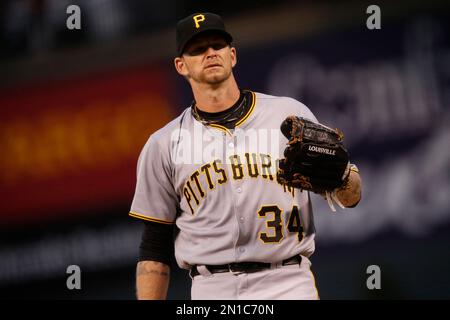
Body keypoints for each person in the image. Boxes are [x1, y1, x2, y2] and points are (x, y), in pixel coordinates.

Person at [129, 12, 362, 300]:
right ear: (181, 66)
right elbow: (154, 245)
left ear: (233, 55)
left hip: (287, 281)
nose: (210, 53)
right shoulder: (163, 144)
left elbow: (350, 198)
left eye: (218, 45)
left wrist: (342, 176)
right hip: (211, 289)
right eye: (198, 49)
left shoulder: (287, 115)